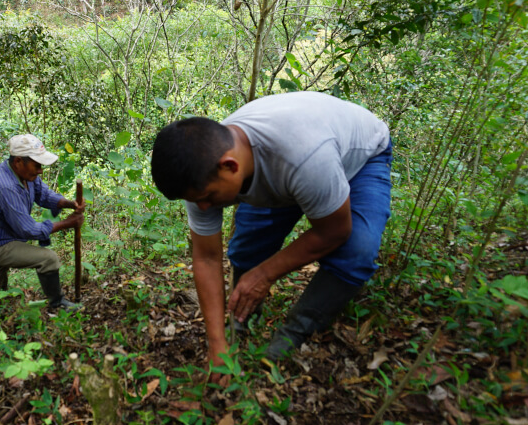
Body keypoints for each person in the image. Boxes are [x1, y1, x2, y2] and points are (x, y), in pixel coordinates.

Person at [151, 91, 392, 377]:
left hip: (359, 159)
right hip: (287, 172)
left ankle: (294, 332)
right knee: (248, 248)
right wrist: (216, 343)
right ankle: (240, 321)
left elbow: (334, 231)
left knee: (357, 250)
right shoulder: (202, 170)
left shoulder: (304, 157)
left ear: (230, 167)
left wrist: (264, 275)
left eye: (207, 197)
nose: (202, 207)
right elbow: (205, 257)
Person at [0, 134, 85, 325]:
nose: (40, 171)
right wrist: (68, 223)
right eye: (37, 165)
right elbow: (28, 229)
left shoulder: (25, 175)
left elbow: (44, 194)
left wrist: (68, 203)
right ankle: (57, 303)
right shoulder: (5, 186)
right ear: (18, 161)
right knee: (48, 259)